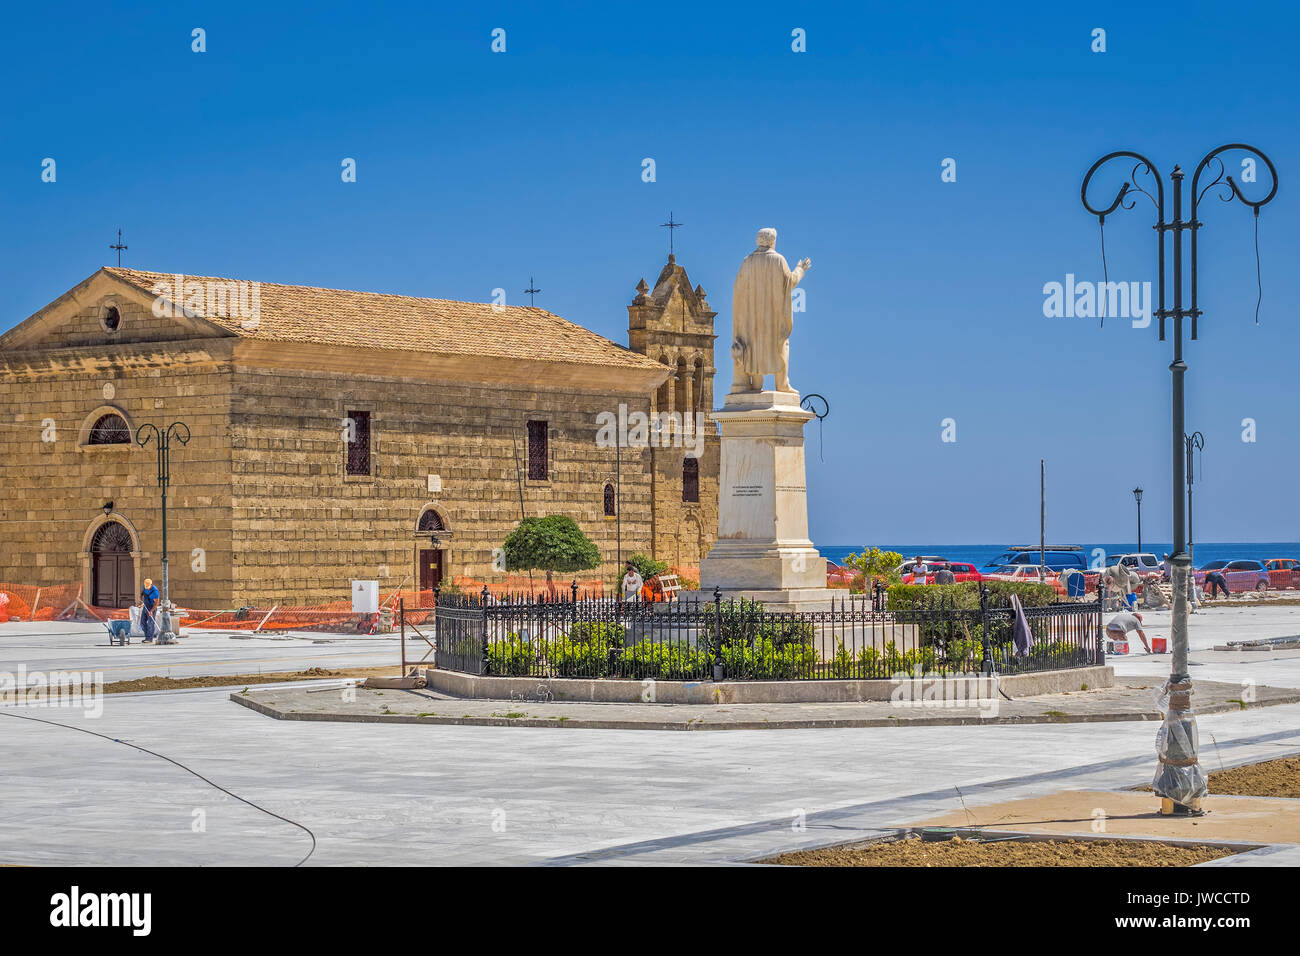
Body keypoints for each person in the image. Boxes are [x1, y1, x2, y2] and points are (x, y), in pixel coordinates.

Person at [139, 577, 160, 642]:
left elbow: (156, 603)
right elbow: (142, 592)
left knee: (150, 623)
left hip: (152, 607)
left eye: (148, 586)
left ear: (151, 585)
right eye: (145, 586)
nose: (146, 587)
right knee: (142, 623)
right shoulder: (144, 586)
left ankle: (149, 638)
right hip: (145, 606)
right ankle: (147, 636)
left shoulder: (155, 591)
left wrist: (151, 611)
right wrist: (140, 597)